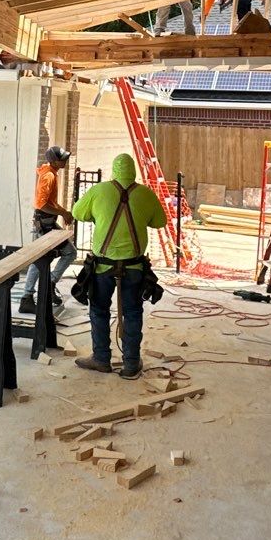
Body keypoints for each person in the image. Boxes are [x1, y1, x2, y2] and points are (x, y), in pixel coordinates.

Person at [70, 152, 166, 379]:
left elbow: (77, 213)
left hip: (102, 266)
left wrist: (100, 214)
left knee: (99, 310)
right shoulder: (145, 194)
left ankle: (101, 359)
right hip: (134, 268)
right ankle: (131, 363)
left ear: (114, 170)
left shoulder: (99, 191)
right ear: (133, 171)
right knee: (132, 312)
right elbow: (160, 221)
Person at [20, 144, 77, 313]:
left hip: (47, 222)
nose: (65, 161)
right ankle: (28, 297)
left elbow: (50, 203)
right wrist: (63, 212)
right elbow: (41, 204)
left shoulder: (51, 173)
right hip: (44, 224)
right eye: (62, 159)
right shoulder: (49, 176)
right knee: (43, 259)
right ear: (54, 160)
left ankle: (47, 287)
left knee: (63, 253)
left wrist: (64, 213)